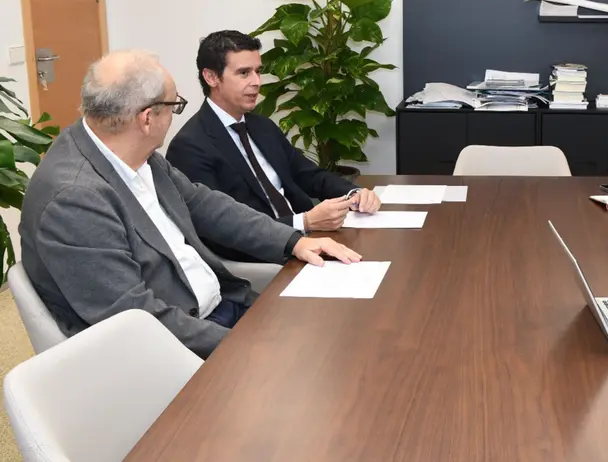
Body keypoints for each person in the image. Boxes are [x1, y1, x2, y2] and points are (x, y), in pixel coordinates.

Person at [19, 50, 362, 359]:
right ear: (147, 118)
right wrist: (249, 346)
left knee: (337, 334)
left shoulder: (138, 155)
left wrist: (294, 240)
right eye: (174, 105)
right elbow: (136, 320)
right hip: (172, 350)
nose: (177, 115)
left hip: (220, 308)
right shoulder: (74, 199)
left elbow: (206, 205)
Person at [166, 30, 380, 262]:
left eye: (258, 71)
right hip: (266, 256)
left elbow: (308, 174)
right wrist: (304, 222)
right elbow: (219, 231)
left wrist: (354, 194)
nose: (257, 82)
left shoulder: (262, 126)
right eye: (244, 73)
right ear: (211, 77)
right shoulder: (190, 146)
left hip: (311, 239)